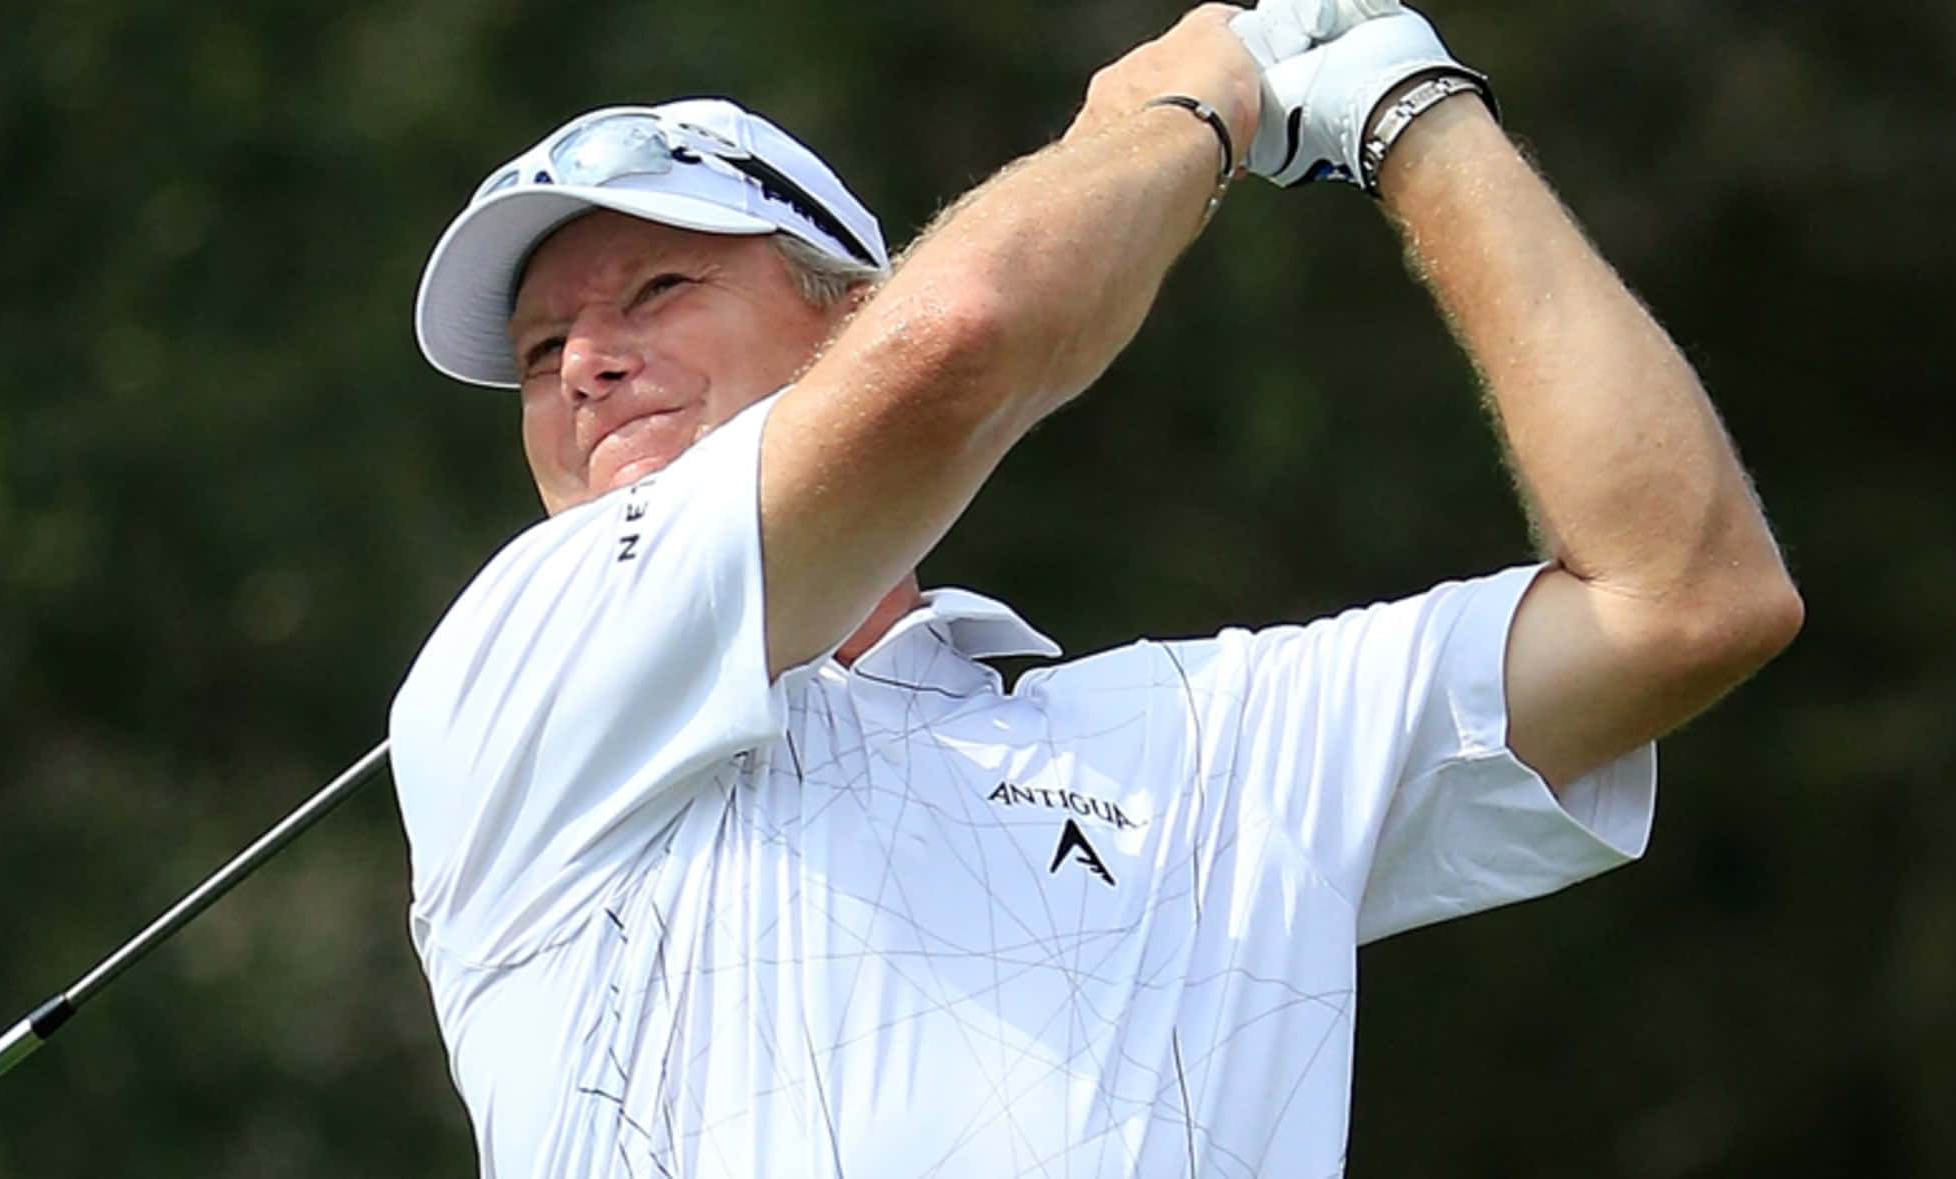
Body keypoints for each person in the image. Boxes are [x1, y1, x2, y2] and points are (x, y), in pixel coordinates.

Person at [388, 4, 1802, 1176]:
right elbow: (963, 335)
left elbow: (1687, 598)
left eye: (656, 289)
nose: (585, 366)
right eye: (540, 351)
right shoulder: (522, 669)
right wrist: (1174, 113)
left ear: (849, 321)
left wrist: (1412, 113)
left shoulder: (1195, 748)